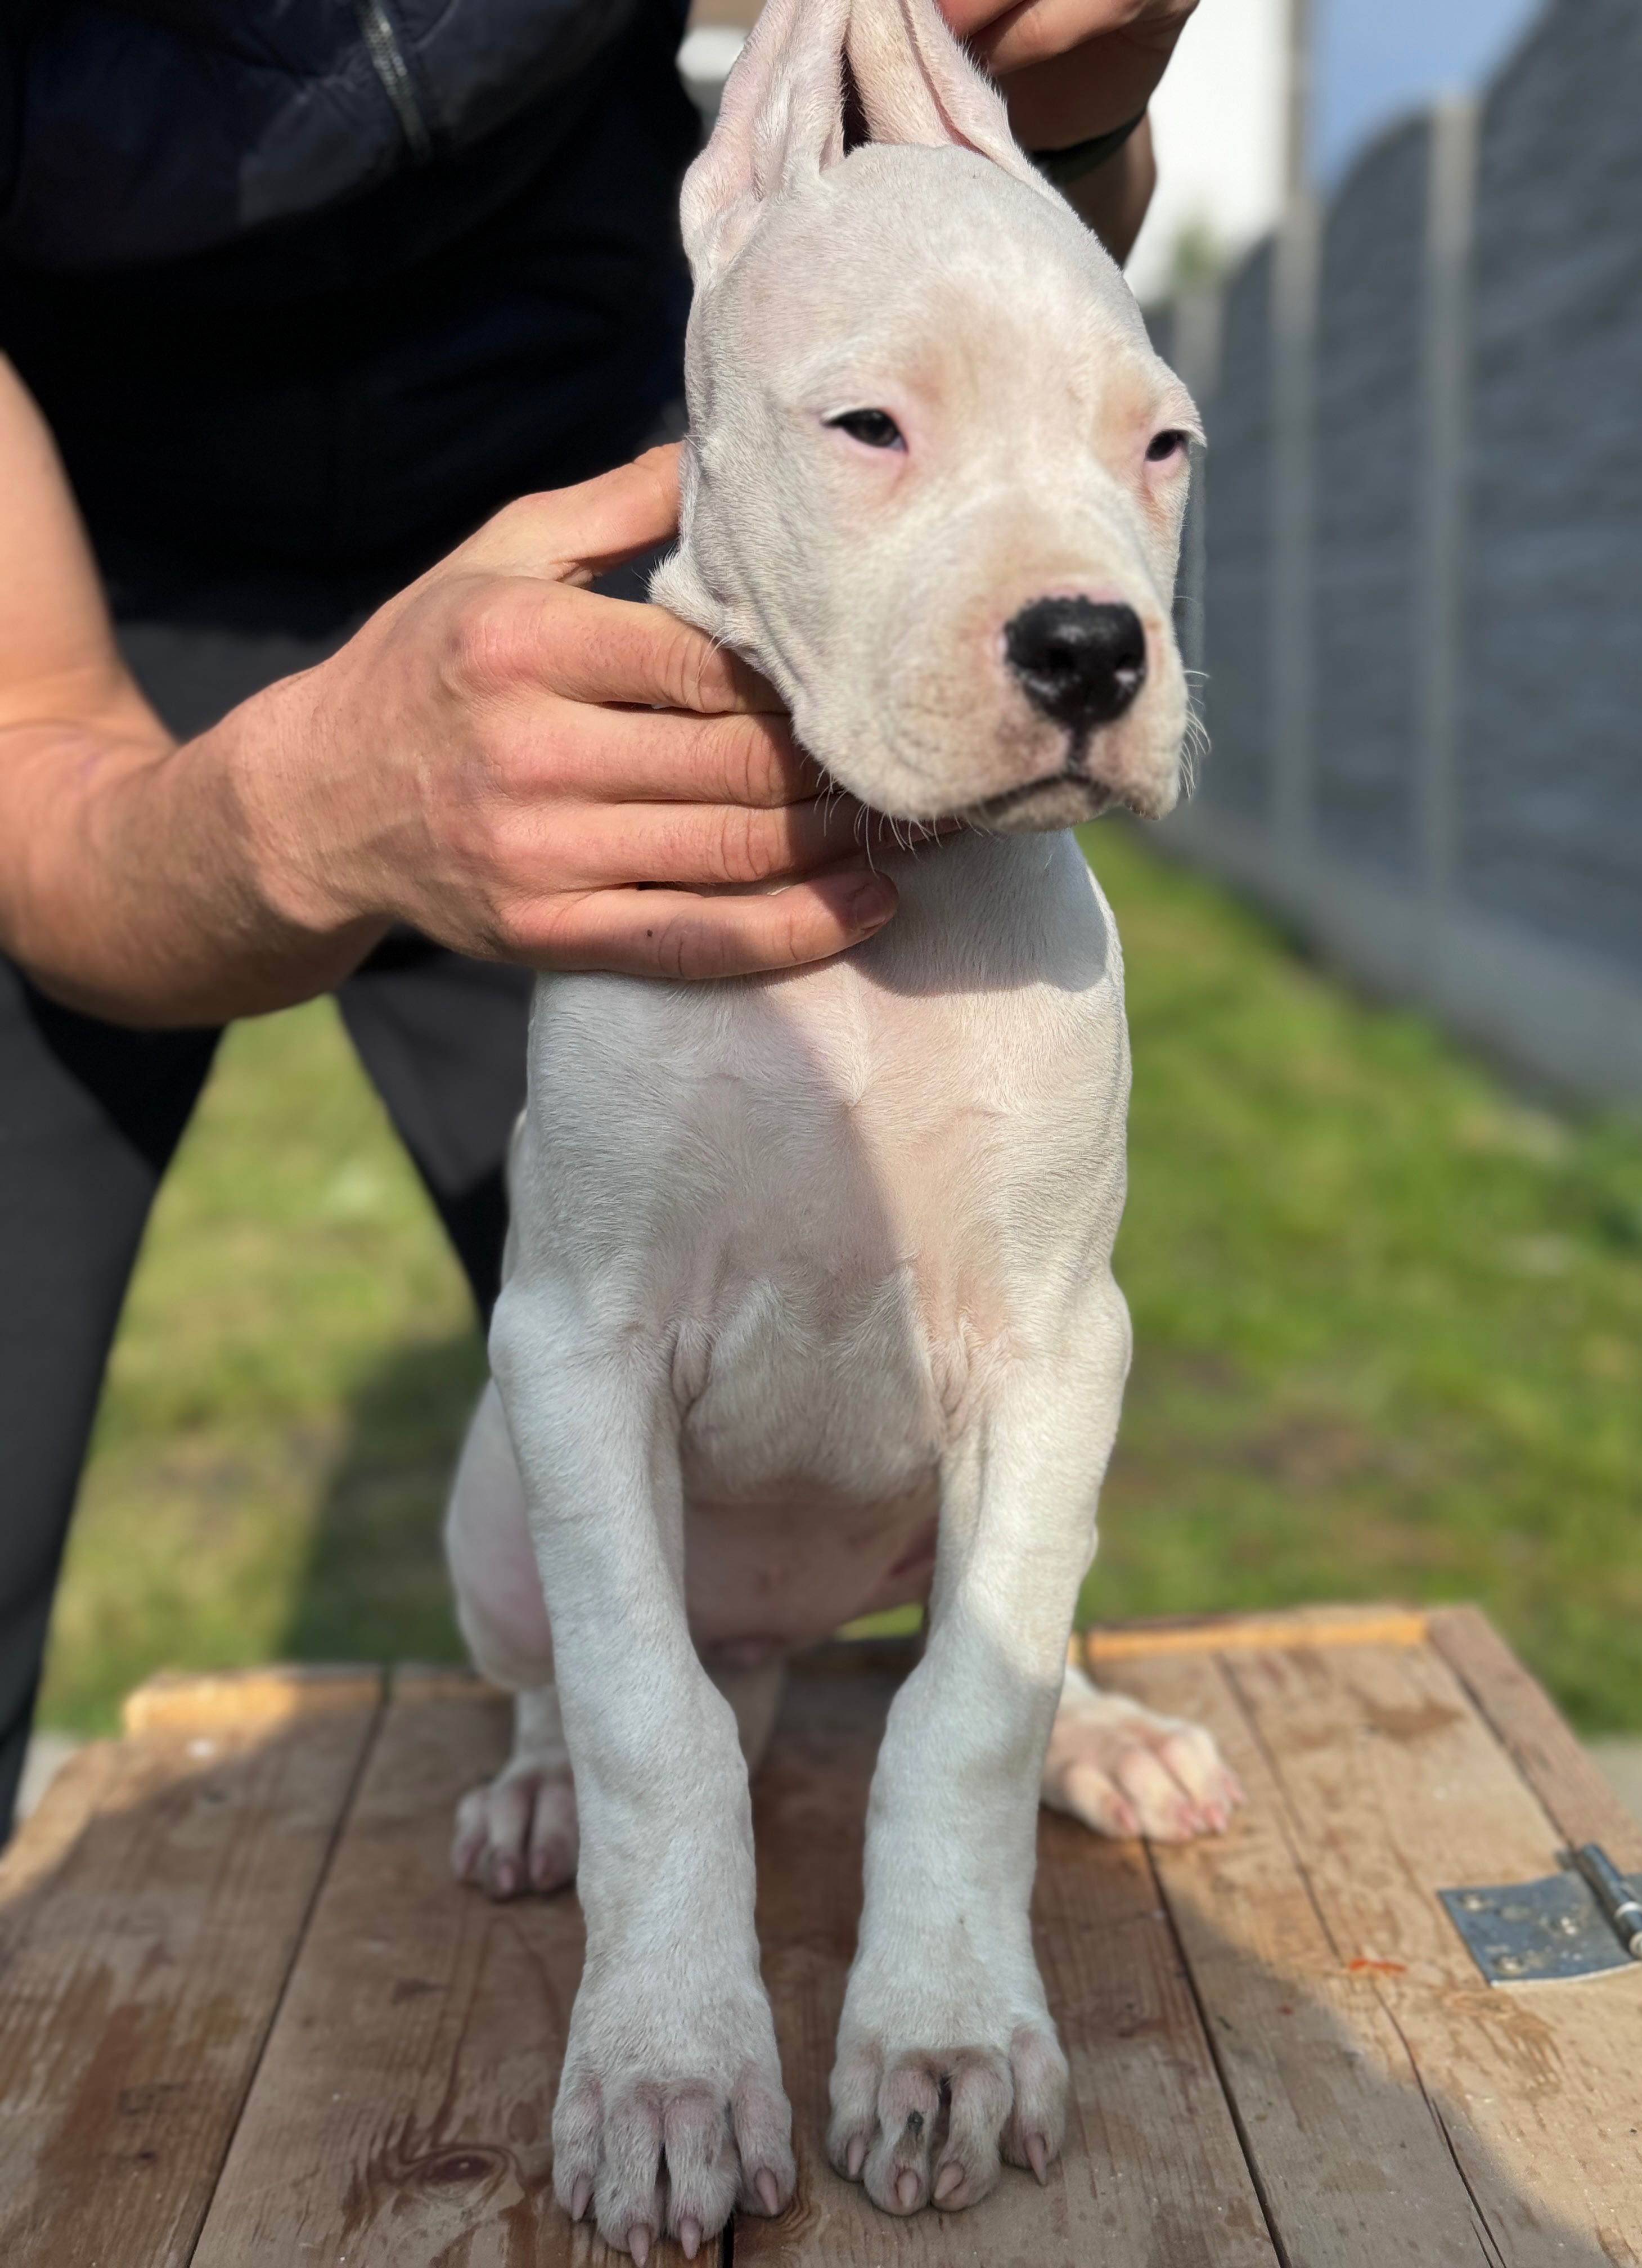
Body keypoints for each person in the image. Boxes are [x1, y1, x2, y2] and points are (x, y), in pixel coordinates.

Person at [0, 0, 1198, 1833]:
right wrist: (286, 825)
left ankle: (1000, 1665)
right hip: (83, 562)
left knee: (822, 1279)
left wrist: (1082, 104)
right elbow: (34, 758)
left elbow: (983, 328)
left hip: (613, 484)